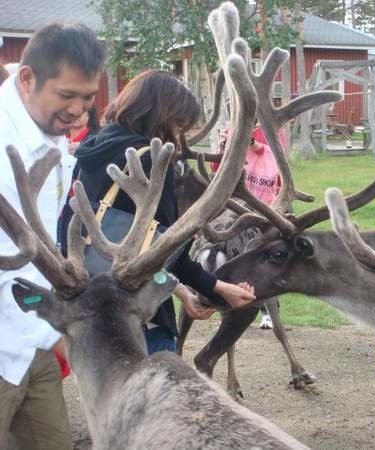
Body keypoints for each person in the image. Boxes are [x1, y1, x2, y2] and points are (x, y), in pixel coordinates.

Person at [62, 69, 256, 354]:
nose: (179, 134)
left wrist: (180, 291)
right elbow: (166, 248)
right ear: (161, 115)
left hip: (89, 305)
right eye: (179, 123)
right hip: (139, 315)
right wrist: (217, 287)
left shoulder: (91, 148)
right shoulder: (153, 160)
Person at [0, 23, 105, 450]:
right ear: (28, 79)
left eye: (87, 98)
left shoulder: (49, 132)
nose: (79, 112)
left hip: (35, 341)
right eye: (67, 96)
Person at [213, 123, 285, 329]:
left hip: (264, 205)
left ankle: (269, 310)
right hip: (234, 204)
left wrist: (250, 142)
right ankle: (228, 304)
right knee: (233, 254)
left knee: (263, 256)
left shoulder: (271, 127)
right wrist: (223, 147)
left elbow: (275, 160)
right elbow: (217, 169)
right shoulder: (232, 125)